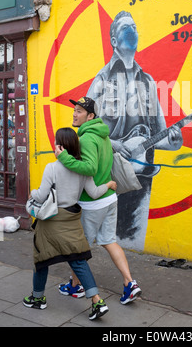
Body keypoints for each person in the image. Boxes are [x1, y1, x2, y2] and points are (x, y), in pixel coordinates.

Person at [87, 11, 183, 250]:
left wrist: (173, 142)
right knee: (104, 237)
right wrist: (110, 143)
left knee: (133, 242)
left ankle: (126, 277)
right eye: (125, 27)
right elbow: (83, 126)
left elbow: (158, 135)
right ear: (114, 41)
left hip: (141, 177)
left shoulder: (148, 82)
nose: (132, 30)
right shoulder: (102, 79)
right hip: (108, 173)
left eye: (135, 26)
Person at [23, 127, 117, 321]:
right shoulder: (82, 169)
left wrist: (33, 192)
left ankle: (37, 298)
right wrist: (108, 185)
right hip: (72, 220)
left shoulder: (52, 167)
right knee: (78, 260)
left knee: (42, 259)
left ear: (60, 145)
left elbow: (41, 195)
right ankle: (97, 301)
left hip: (51, 222)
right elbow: (94, 193)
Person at [55, 96, 142, 305]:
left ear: (90, 116)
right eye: (74, 110)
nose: (74, 114)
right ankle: (130, 283)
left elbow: (90, 168)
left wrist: (63, 157)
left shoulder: (86, 139)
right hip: (109, 197)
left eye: (79, 111)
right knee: (109, 241)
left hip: (93, 202)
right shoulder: (103, 135)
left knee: (79, 248)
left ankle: (77, 286)